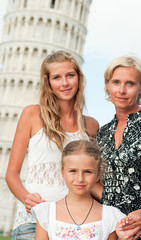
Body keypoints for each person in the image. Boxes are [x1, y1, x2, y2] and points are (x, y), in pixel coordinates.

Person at [5, 50, 99, 240]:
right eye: (57, 77)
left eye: (70, 75)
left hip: (75, 225)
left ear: (79, 78)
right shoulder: (32, 115)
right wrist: (26, 197)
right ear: (49, 83)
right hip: (32, 222)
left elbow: (93, 179)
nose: (64, 83)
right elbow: (11, 173)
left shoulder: (91, 125)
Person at [95, 55, 141, 239]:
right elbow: (101, 185)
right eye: (116, 82)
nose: (121, 90)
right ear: (108, 85)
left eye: (130, 84)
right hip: (114, 230)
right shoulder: (103, 133)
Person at [31, 139, 129, 240]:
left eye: (87, 172)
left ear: (98, 175)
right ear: (62, 172)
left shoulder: (110, 216)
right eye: (73, 171)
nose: (80, 179)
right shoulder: (47, 213)